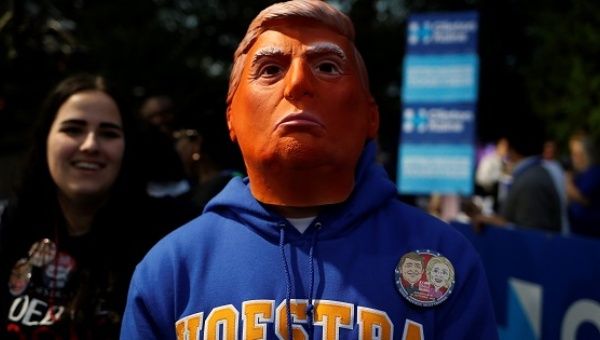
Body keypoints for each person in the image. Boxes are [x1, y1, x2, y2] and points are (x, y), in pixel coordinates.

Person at [121, 1, 498, 339]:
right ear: (231, 118)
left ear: (371, 117)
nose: (298, 83)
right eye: (270, 69)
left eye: (328, 66)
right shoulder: (170, 268)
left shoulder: (444, 257)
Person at [0, 74, 194, 339]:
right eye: (73, 129)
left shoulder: (167, 243)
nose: (90, 145)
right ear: (45, 139)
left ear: (127, 147)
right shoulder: (9, 225)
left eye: (108, 133)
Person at [565, 131, 600, 237]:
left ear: (585, 154)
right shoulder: (579, 175)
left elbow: (582, 197)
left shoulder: (594, 173)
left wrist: (567, 180)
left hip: (590, 234)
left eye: (576, 154)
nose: (573, 158)